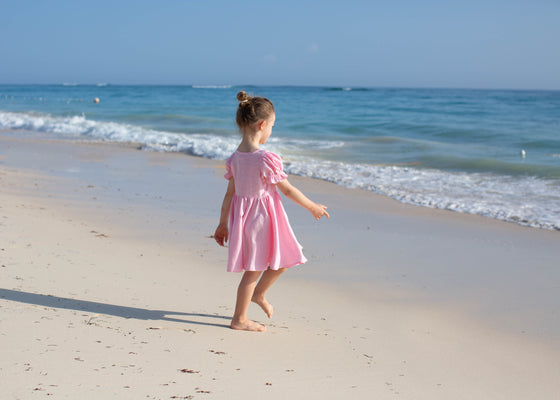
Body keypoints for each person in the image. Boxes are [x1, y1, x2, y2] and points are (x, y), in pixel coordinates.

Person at [214, 91, 330, 332]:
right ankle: (239, 319)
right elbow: (286, 190)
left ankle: (258, 295)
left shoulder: (235, 158)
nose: (271, 131)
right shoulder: (266, 158)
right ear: (262, 125)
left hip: (248, 217)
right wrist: (312, 206)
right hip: (261, 219)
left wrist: (223, 223)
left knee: (286, 257)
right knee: (254, 269)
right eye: (273, 126)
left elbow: (229, 195)